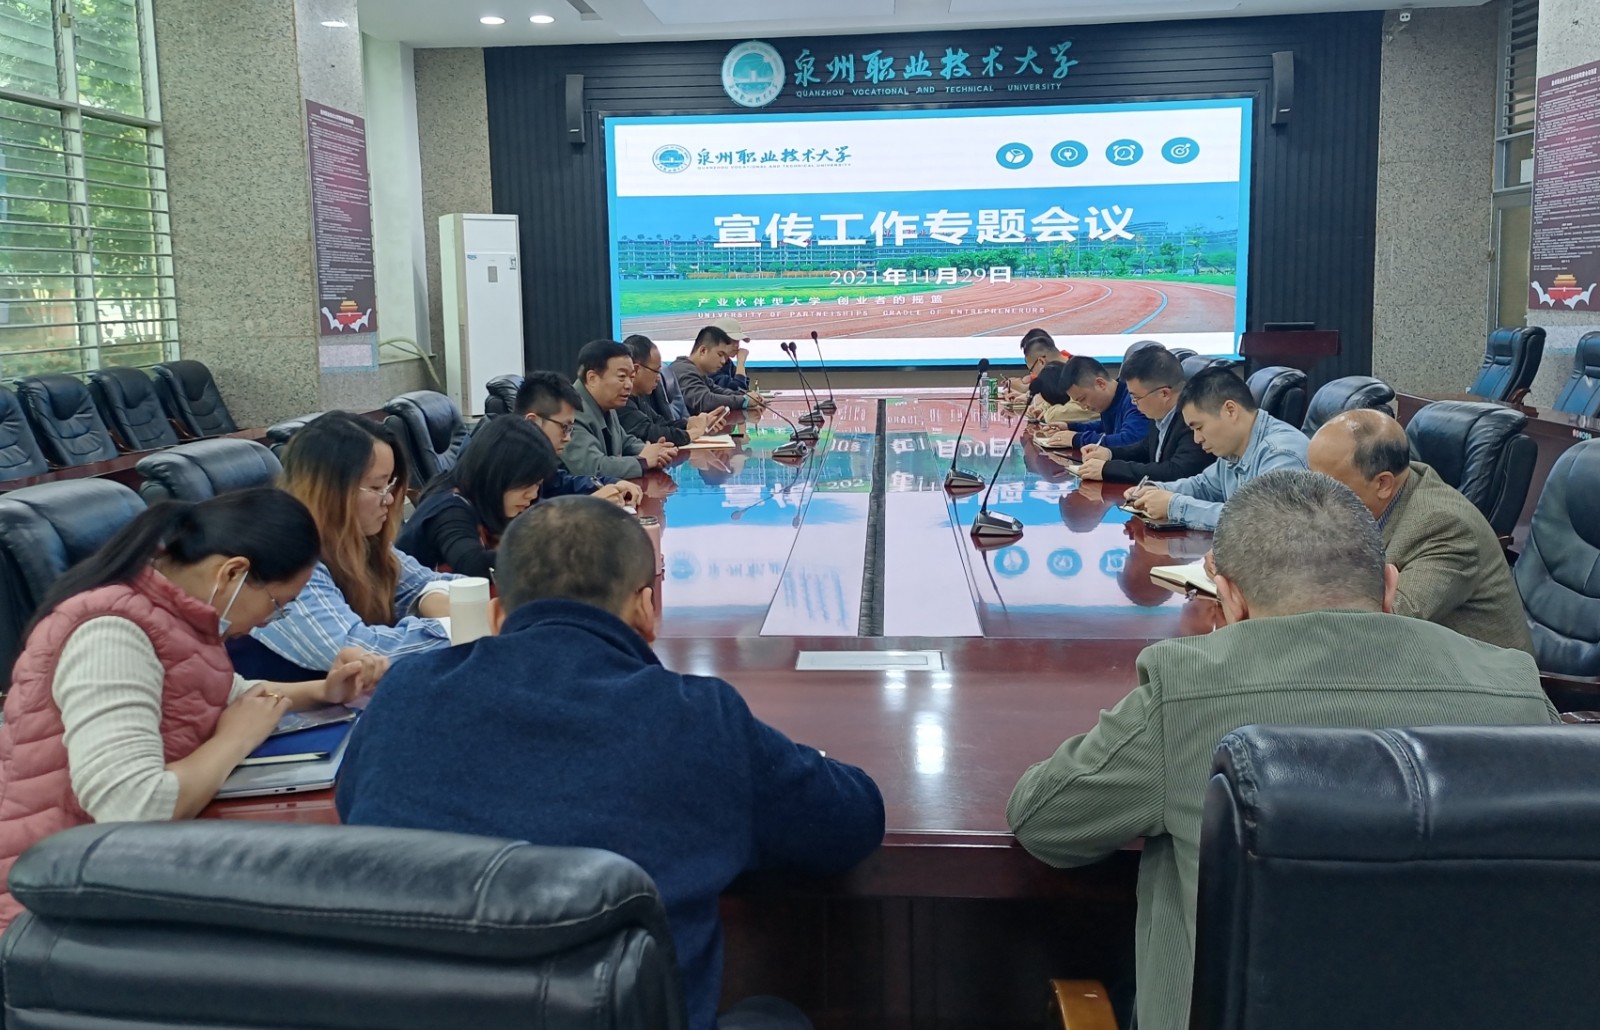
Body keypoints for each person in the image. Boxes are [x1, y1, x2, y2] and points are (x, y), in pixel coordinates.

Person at [1007, 470, 1560, 1030]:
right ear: (1391, 587)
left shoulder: (1188, 687)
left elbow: (1046, 822)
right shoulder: (1514, 687)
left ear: (1229, 599)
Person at [338, 496, 885, 1030]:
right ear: (646, 609)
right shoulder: (697, 721)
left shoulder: (403, 695)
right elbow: (851, 823)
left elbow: (352, 798)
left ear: (497, 614)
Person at [0, 489, 387, 927]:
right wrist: (235, 739)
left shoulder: (167, 613)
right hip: (50, 905)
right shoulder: (111, 634)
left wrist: (324, 692)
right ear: (233, 572)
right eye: (278, 606)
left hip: (105, 873)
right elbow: (133, 808)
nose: (267, 621)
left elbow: (220, 690)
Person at [235, 412, 459, 679]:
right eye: (376, 487)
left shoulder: (357, 541)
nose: (388, 499)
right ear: (329, 490)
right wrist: (460, 624)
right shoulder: (284, 556)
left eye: (390, 485)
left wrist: (430, 596)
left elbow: (429, 583)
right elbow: (355, 651)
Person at [1308, 409, 1535, 652]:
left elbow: (1383, 628)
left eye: (1327, 486)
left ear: (1383, 484)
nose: (1312, 497)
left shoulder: (1445, 528)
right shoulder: (1389, 486)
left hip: (1479, 670)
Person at [1124, 366, 1309, 531]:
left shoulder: (1281, 453)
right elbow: (1204, 486)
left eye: (1199, 427)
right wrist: (1155, 489)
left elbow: (1261, 521)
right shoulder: (1234, 448)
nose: (1197, 439)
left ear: (1230, 410)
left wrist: (1175, 506)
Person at [398, 415, 559, 578]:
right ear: (496, 473)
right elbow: (471, 564)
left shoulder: (485, 500)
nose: (532, 494)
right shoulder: (449, 509)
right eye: (526, 483)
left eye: (537, 484)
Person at [1076, 345, 1214, 483]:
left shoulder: (1193, 421)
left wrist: (1108, 469)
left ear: (1164, 394)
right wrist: (1109, 453)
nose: (1134, 403)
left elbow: (1176, 471)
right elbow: (1144, 448)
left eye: (1136, 397)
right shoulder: (1160, 412)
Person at [514, 371, 641, 506]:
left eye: (571, 429)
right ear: (532, 422)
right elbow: (531, 514)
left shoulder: (538, 462)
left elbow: (564, 483)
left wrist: (613, 482)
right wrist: (587, 505)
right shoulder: (508, 464)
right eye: (564, 427)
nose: (568, 438)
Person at [565, 339, 678, 479]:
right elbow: (593, 468)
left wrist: (653, 451)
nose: (629, 385)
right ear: (592, 378)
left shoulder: (607, 404)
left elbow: (625, 442)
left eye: (631, 377)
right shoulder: (569, 412)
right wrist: (643, 462)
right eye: (622, 377)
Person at [621, 334, 725, 446]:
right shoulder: (620, 401)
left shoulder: (639, 397)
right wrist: (692, 433)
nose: (658, 378)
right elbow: (650, 433)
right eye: (656, 371)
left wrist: (690, 423)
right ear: (636, 369)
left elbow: (660, 423)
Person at [1033, 356, 1152, 450]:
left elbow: (1130, 440)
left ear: (1100, 384)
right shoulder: (1112, 402)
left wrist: (1077, 439)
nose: (1084, 407)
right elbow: (1104, 427)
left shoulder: (1134, 401)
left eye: (1083, 399)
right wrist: (1071, 427)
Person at [671, 326, 762, 415]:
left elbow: (718, 391)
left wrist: (748, 396)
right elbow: (705, 402)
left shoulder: (696, 371)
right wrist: (744, 400)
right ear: (703, 351)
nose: (723, 361)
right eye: (720, 354)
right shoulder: (684, 370)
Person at [705, 316, 751, 393]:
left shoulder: (728, 363)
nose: (737, 345)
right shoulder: (710, 365)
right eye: (732, 340)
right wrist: (740, 363)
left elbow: (744, 386)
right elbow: (738, 389)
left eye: (738, 341)